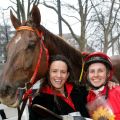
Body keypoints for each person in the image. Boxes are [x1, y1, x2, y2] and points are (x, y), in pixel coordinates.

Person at [29, 54, 90, 120]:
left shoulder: (80, 91)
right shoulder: (40, 102)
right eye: (54, 71)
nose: (59, 75)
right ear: (49, 73)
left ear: (67, 75)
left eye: (63, 72)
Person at [84, 52, 120, 120]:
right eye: (92, 71)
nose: (96, 75)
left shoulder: (118, 92)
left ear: (108, 74)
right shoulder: (89, 96)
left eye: (100, 71)